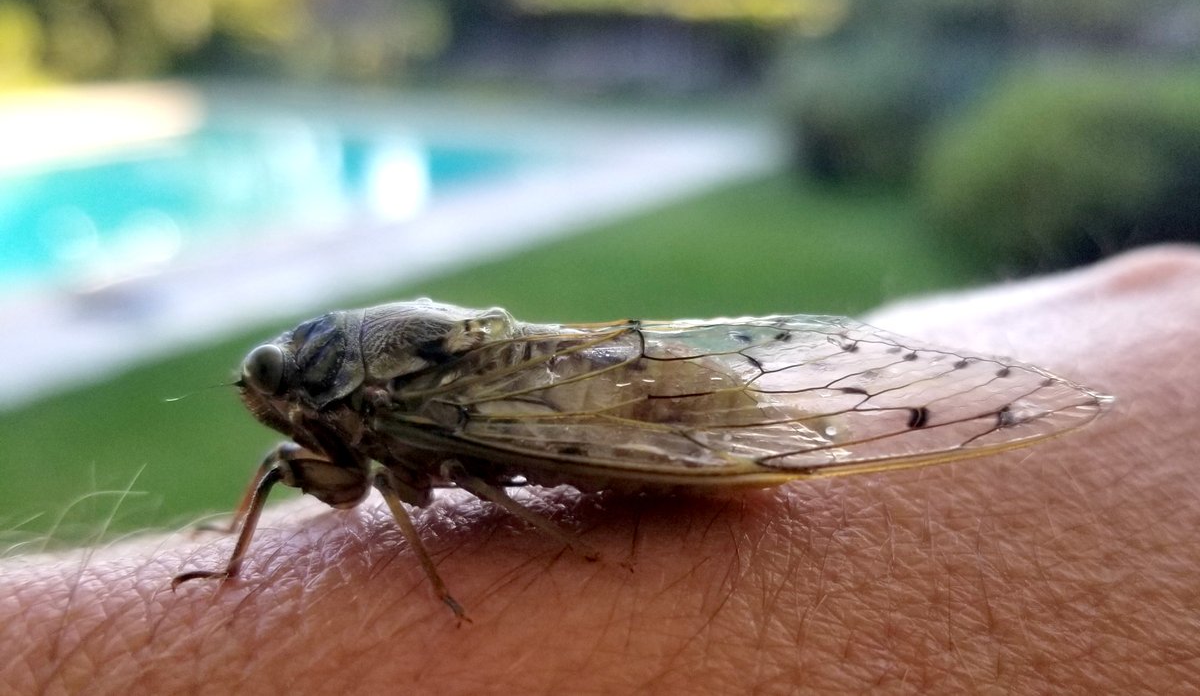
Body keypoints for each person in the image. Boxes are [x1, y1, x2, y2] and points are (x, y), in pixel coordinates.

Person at [4, 246, 1196, 694]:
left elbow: (437, 483)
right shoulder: (347, 414)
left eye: (274, 386)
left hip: (601, 408)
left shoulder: (377, 399)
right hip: (567, 377)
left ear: (318, 383)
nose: (269, 407)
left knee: (336, 467)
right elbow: (374, 482)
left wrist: (445, 584)